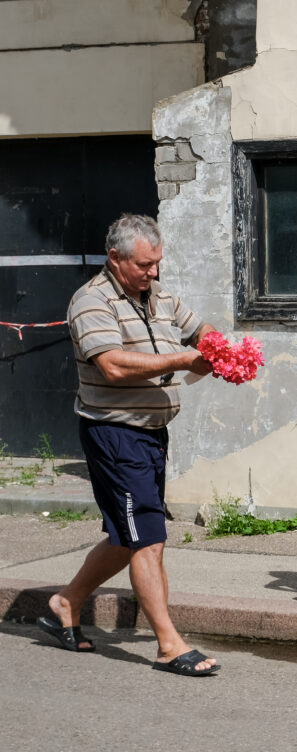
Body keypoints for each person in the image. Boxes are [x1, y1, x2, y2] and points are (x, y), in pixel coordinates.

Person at [41, 213, 221, 676]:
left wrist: (219, 350)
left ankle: (66, 602)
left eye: (157, 263)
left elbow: (200, 330)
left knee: (129, 536)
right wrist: (184, 359)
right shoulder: (91, 301)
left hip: (152, 432)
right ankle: (168, 645)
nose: (153, 272)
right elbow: (113, 365)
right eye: (144, 265)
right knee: (148, 539)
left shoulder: (159, 295)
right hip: (116, 433)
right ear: (115, 258)